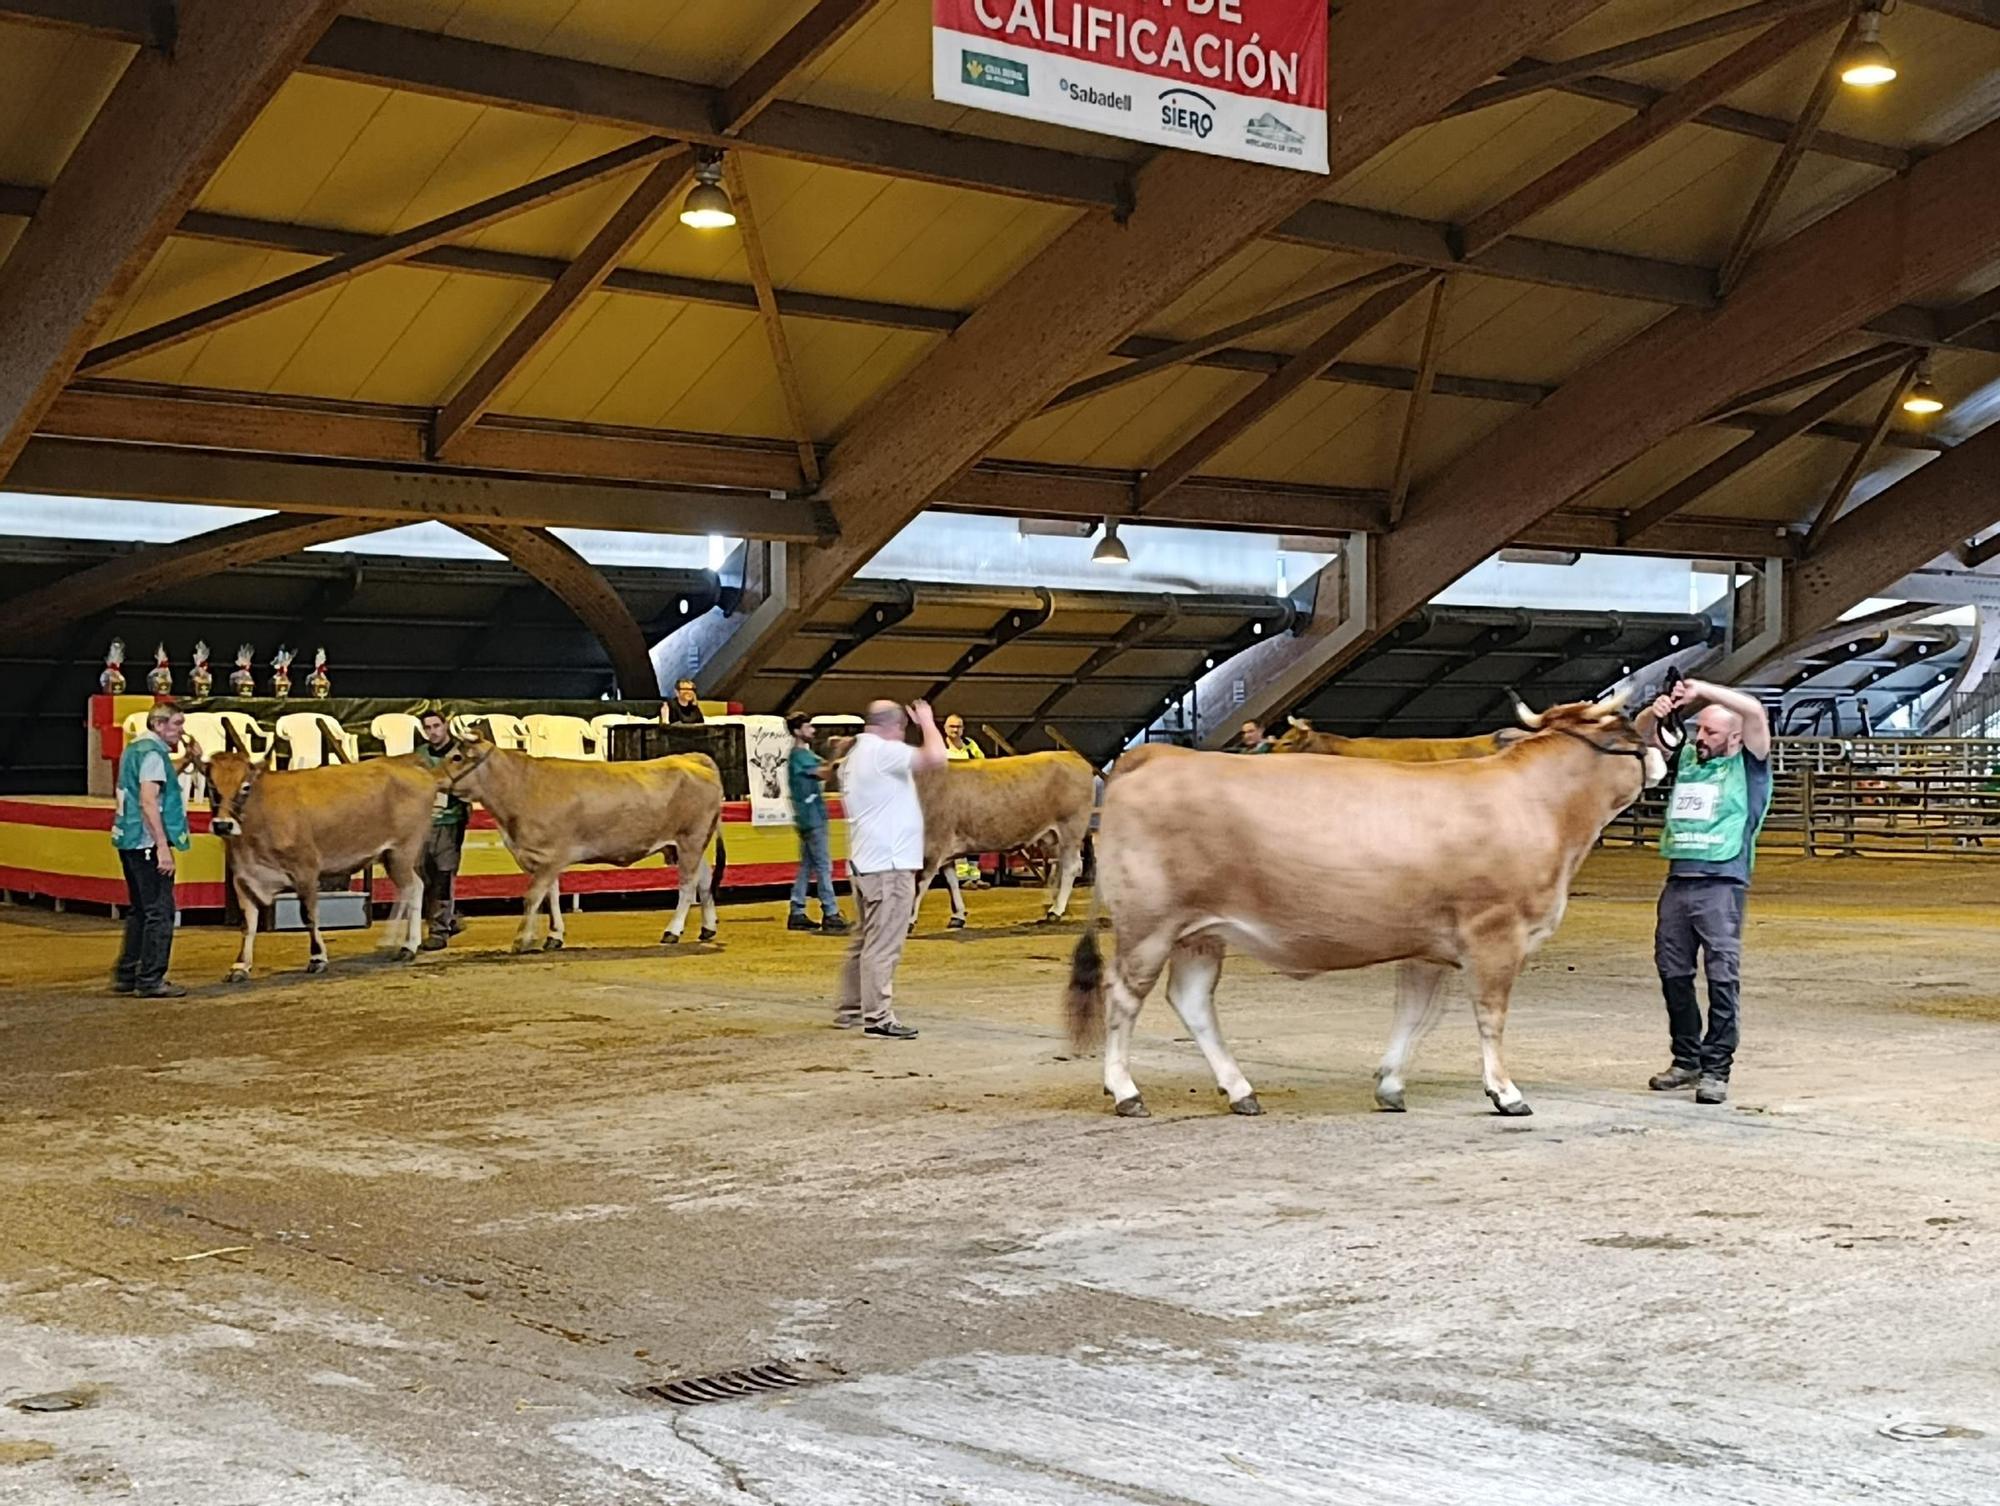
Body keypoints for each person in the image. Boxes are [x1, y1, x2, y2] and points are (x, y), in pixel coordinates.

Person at [1637, 676, 1773, 1106]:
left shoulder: (1750, 764)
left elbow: (1754, 712)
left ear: (1734, 737)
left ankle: (1717, 1068)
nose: (1701, 737)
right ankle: (1686, 1057)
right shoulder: (1690, 759)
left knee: (1721, 976)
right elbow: (1644, 736)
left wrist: (1702, 692)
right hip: (1679, 880)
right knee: (1672, 972)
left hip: (1722, 884)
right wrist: (1654, 714)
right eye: (1699, 729)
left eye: (1710, 731)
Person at [835, 698, 948, 1039]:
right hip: (890, 866)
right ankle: (879, 1017)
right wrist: (928, 722)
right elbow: (937, 758)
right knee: (884, 944)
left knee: (865, 940)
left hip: (867, 862)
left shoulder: (854, 757)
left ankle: (851, 1008)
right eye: (903, 729)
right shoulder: (883, 753)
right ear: (895, 727)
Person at [110, 702, 200, 998]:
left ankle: (127, 972)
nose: (181, 731)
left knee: (140, 909)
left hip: (128, 839)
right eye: (176, 724)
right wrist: (162, 846)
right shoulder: (153, 754)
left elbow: (156, 779)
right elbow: (149, 801)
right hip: (147, 842)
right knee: (160, 912)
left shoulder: (136, 749)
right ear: (158, 725)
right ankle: (150, 978)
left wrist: (186, 760)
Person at [785, 713, 848, 935]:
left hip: (807, 817)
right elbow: (827, 773)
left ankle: (797, 909)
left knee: (807, 866)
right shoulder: (800, 757)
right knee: (823, 866)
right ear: (797, 731)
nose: (812, 730)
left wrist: (836, 755)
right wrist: (839, 750)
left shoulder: (802, 755)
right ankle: (830, 912)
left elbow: (827, 768)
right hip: (812, 818)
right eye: (807, 726)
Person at [412, 709, 469, 951]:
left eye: (436, 726)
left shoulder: (462, 754)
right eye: (428, 728)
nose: (433, 732)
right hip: (423, 824)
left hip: (450, 823)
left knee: (444, 877)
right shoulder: (419, 756)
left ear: (445, 726)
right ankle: (447, 918)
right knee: (423, 877)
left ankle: (439, 930)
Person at [660, 676, 725, 886]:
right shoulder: (668, 706)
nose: (688, 692)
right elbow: (665, 729)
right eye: (684, 689)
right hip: (674, 752)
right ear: (677, 691)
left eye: (691, 689)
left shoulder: (696, 710)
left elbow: (700, 730)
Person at [942, 714, 986, 887]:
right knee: (956, 837)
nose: (955, 730)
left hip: (972, 797)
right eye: (952, 727)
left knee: (975, 834)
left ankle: (974, 875)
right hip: (949, 799)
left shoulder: (970, 745)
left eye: (958, 727)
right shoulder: (939, 747)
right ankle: (961, 875)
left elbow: (983, 765)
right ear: (945, 729)